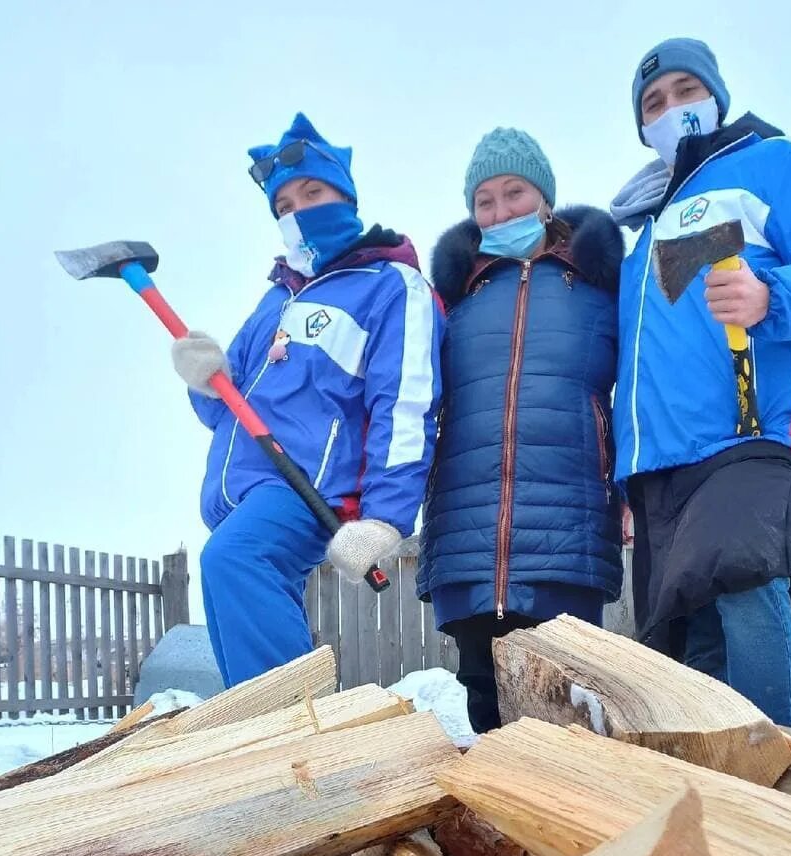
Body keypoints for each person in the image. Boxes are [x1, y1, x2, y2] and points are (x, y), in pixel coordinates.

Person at [610, 39, 791, 725]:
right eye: (653, 102)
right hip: (660, 463)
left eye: (683, 90)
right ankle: (721, 795)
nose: (672, 108)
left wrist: (774, 296)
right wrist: (625, 475)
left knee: (743, 579)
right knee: (692, 635)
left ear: (715, 92)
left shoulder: (775, 161)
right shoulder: (643, 232)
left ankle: (775, 770)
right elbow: (639, 361)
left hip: (752, 427)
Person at [170, 112, 443, 688]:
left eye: (312, 192)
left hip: (306, 486)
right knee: (228, 571)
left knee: (233, 560)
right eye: (284, 205)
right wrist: (204, 377)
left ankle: (289, 725)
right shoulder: (273, 302)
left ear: (346, 195)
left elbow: (407, 406)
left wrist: (387, 519)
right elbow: (226, 408)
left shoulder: (391, 288)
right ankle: (263, 718)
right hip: (241, 491)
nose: (298, 211)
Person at [417, 128, 624, 733]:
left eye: (515, 192)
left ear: (545, 197)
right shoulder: (452, 298)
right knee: (484, 698)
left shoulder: (600, 287)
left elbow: (638, 392)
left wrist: (633, 489)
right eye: (485, 201)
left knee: (568, 706)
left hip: (568, 521)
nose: (501, 210)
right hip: (468, 526)